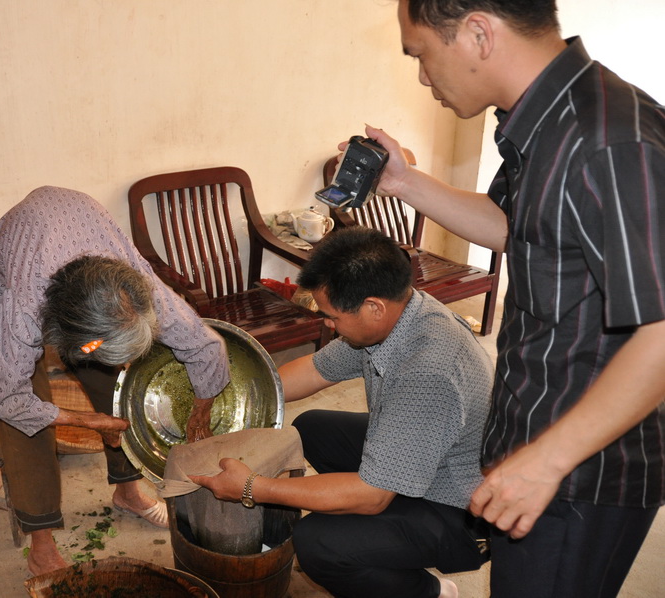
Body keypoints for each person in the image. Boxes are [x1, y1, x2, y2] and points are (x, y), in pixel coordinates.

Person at [358, 1, 665, 596]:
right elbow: (515, 227)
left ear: (478, 33)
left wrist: (546, 461)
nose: (422, 76)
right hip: (536, 442)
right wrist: (402, 181)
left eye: (422, 54)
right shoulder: (545, 121)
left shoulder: (607, 140)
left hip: (579, 473)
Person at [191, 227, 493, 598]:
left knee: (317, 542)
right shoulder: (399, 315)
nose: (326, 324)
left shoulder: (427, 372)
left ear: (373, 307)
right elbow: (315, 370)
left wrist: (253, 487)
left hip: (460, 509)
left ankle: (429, 590)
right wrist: (228, 399)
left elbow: (372, 495)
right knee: (313, 427)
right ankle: (386, 537)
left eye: (332, 316)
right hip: (428, 461)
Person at [0, 186, 230, 575]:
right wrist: (87, 421)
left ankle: (128, 493)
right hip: (18, 256)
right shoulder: (24, 307)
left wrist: (200, 415)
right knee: (25, 424)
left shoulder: (140, 293)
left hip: (81, 233)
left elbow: (207, 347)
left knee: (117, 393)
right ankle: (41, 544)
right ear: (84, 342)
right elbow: (8, 399)